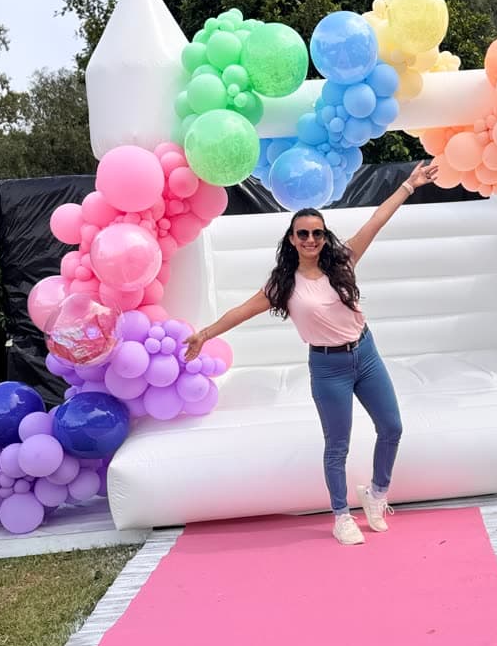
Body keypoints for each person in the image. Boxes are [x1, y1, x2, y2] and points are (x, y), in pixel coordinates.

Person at [183, 162, 438, 545]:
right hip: (328, 367)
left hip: (366, 354)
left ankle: (377, 494)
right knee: (337, 446)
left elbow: (376, 221)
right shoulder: (283, 284)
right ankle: (341, 516)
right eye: (302, 233)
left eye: (317, 233)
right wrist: (205, 334)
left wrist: (409, 185)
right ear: (291, 239)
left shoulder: (342, 261)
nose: (310, 239)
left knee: (392, 427)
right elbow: (242, 310)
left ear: (324, 236)